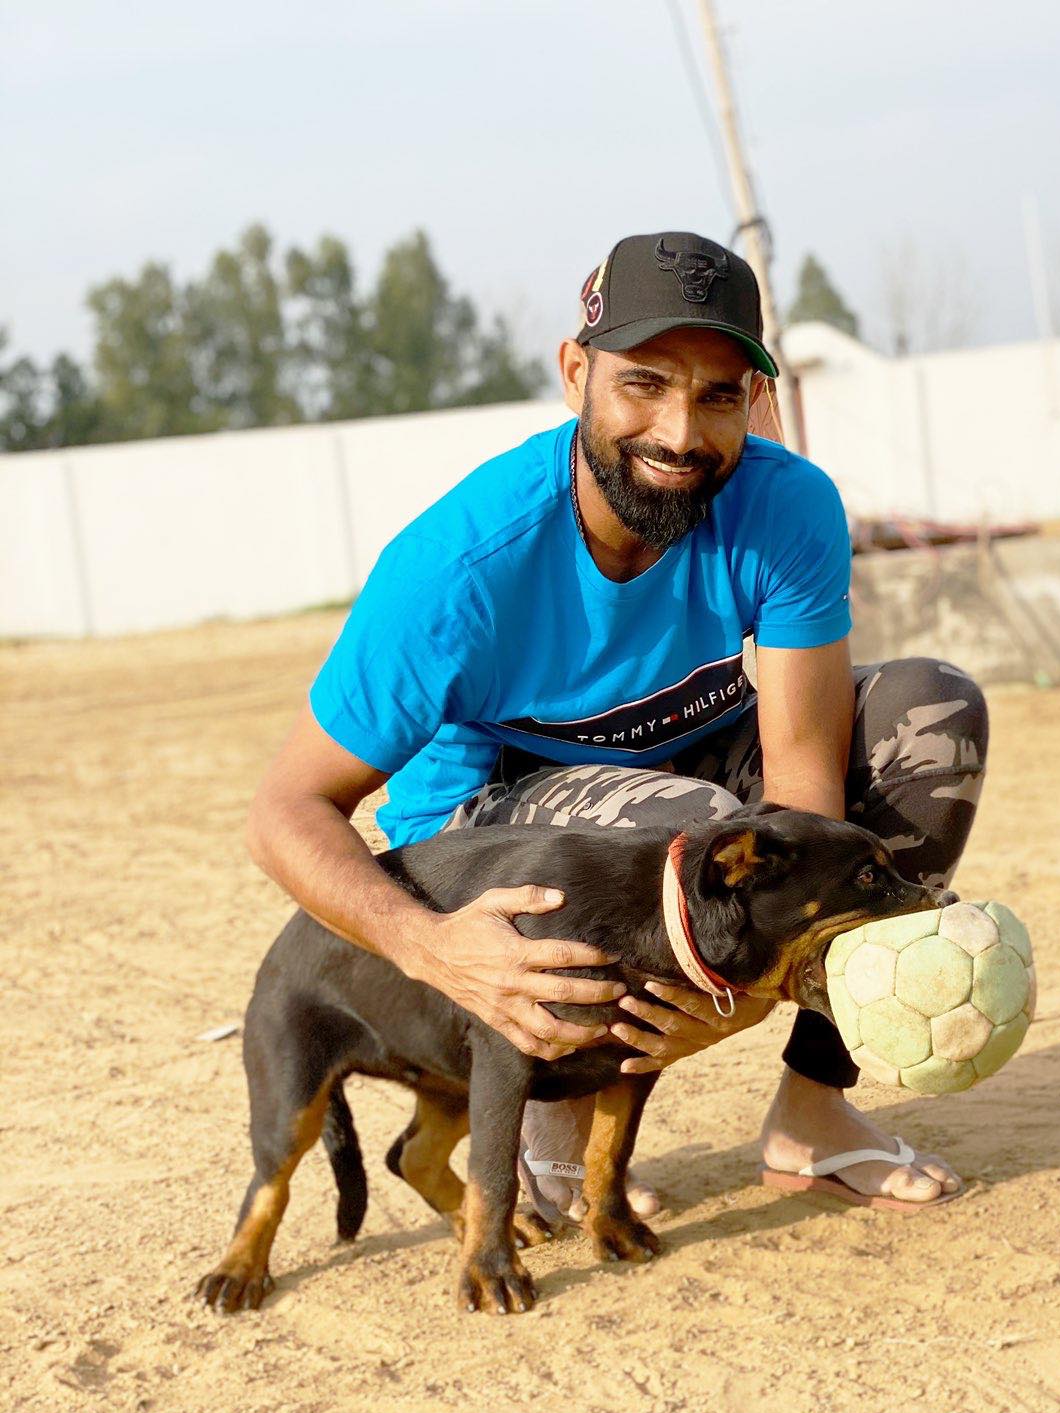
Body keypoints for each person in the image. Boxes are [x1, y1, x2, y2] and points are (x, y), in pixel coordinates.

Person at [246, 230, 988, 1219]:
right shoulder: (459, 567)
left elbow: (802, 796)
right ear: (575, 373)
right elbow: (285, 808)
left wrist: (742, 988)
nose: (681, 430)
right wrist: (431, 947)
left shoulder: (787, 506)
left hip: (680, 777)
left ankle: (815, 1114)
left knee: (928, 716)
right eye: (645, 383)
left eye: (718, 393)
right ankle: (552, 1104)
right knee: (681, 831)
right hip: (492, 825)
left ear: (754, 400)